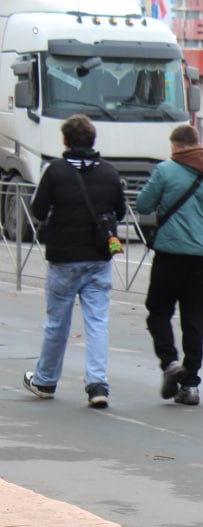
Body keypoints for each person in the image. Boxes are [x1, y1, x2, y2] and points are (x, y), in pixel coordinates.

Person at [24, 115, 127, 409]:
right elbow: (119, 212)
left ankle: (45, 380)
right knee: (97, 322)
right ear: (93, 141)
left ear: (65, 141)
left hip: (63, 260)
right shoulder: (109, 173)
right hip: (98, 259)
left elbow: (39, 211)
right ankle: (97, 384)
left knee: (57, 322)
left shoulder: (55, 171)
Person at [135, 124, 203, 406]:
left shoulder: (166, 170)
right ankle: (190, 385)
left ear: (175, 146)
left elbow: (143, 204)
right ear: (198, 143)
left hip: (171, 254)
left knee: (158, 310)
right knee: (195, 319)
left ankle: (169, 361)